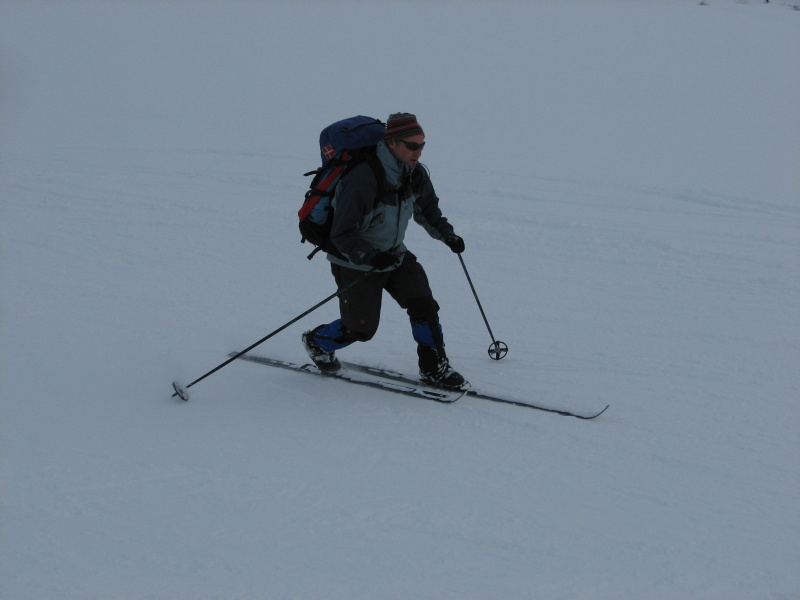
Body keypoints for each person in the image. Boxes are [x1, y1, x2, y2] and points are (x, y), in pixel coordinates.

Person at [301, 112, 468, 390]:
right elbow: (342, 233)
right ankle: (317, 342)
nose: (418, 152)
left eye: (422, 145)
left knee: (423, 305)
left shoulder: (415, 172)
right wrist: (370, 256)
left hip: (394, 254)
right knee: (360, 329)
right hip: (355, 261)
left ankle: (434, 367)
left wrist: (447, 235)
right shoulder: (363, 177)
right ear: (391, 143)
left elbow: (427, 209)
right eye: (411, 145)